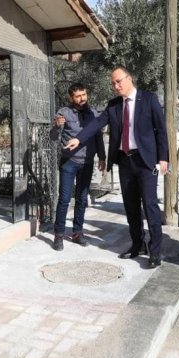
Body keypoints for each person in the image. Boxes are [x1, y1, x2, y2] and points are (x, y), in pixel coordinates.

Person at [64, 65, 169, 269]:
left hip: (146, 162)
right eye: (113, 83)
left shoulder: (149, 99)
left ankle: (155, 251)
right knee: (130, 206)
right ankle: (138, 245)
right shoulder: (113, 105)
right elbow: (96, 124)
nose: (115, 86)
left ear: (129, 78)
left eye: (118, 81)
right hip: (125, 161)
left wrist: (163, 158)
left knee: (150, 205)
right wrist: (79, 139)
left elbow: (161, 130)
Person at [49, 83, 106, 251]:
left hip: (87, 163)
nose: (82, 99)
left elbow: (98, 137)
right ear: (71, 98)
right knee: (64, 199)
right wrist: (56, 126)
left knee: (82, 198)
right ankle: (59, 235)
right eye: (78, 96)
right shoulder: (63, 113)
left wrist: (102, 157)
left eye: (84, 95)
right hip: (69, 162)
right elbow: (53, 137)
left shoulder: (93, 113)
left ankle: (77, 233)